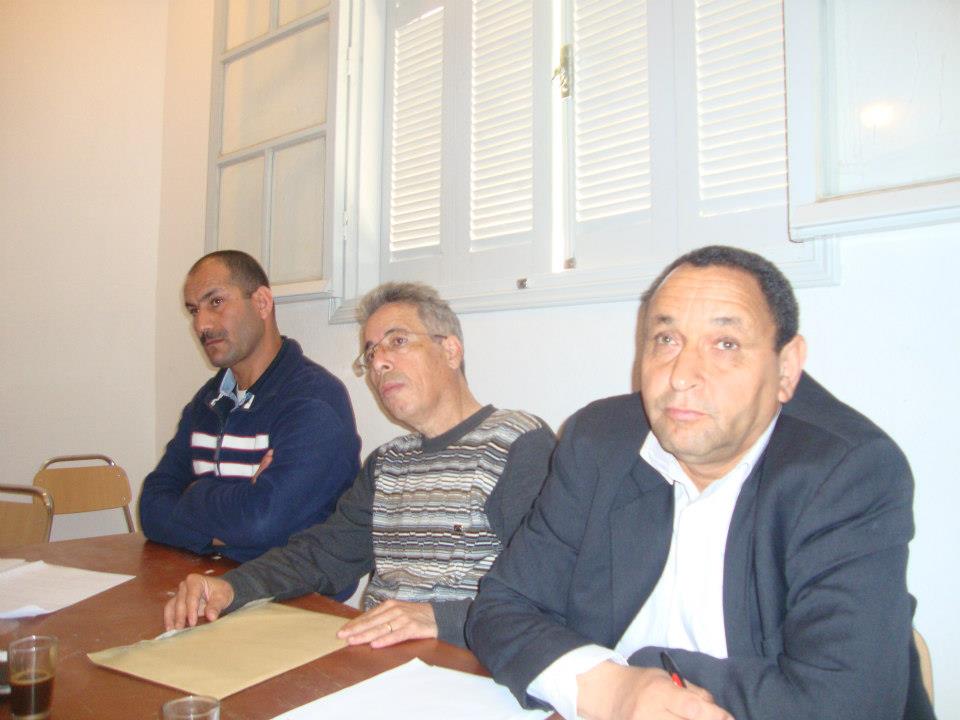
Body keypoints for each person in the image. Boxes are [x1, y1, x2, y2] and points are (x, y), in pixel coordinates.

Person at [466, 246, 935, 720]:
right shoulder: (599, 442)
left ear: (787, 368)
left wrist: (645, 673)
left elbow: (847, 704)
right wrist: (610, 688)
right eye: (666, 339)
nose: (681, 376)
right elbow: (503, 606)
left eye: (725, 344)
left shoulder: (847, 472)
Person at [163, 282, 555, 649]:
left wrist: (441, 618)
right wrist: (233, 587)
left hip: (464, 661)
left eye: (397, 341)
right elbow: (323, 554)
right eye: (370, 353)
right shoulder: (388, 463)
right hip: (378, 658)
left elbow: (548, 589)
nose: (379, 362)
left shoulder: (516, 443)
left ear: (451, 351)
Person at [140, 250, 361, 565]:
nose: (201, 324)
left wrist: (193, 494)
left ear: (262, 302)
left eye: (216, 302)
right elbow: (151, 510)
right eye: (193, 310)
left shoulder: (314, 401)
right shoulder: (207, 402)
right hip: (206, 579)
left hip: (291, 591)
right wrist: (242, 504)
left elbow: (262, 523)